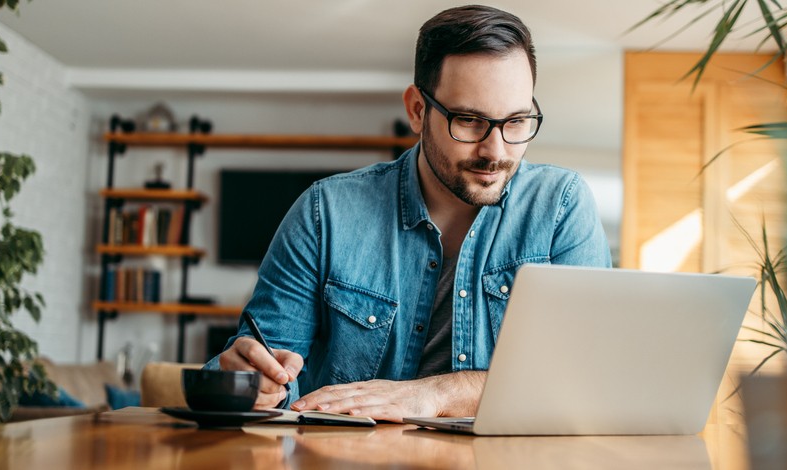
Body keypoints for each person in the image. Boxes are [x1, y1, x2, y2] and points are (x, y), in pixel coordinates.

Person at [205, 4, 611, 422]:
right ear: (418, 110)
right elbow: (257, 368)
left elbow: (590, 378)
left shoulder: (562, 206)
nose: (496, 151)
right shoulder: (324, 212)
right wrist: (248, 381)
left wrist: (435, 394)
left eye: (516, 121)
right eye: (469, 121)